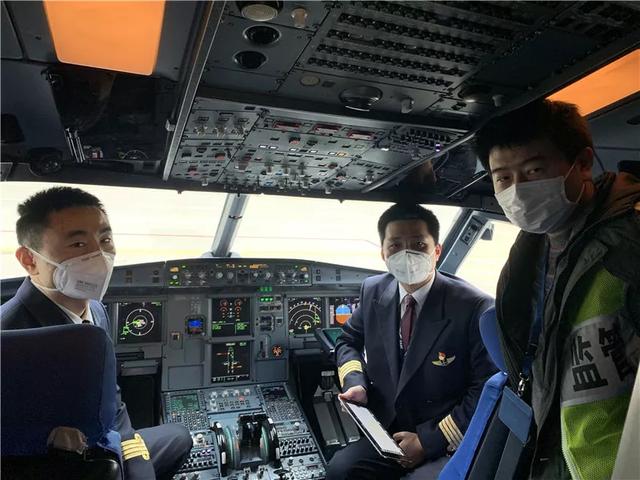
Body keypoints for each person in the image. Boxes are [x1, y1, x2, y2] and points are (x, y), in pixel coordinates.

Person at [474, 99, 640, 479]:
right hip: (558, 456)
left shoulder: (631, 245)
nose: (518, 191)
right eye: (503, 178)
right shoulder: (529, 250)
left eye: (534, 170)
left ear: (582, 163)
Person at [0, 187, 193, 480]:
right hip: (56, 466)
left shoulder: (97, 310)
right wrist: (47, 438)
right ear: (29, 260)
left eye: (105, 240)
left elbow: (111, 399)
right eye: (78, 244)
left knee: (178, 437)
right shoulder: (9, 335)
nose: (99, 256)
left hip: (107, 445)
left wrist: (133, 455)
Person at [327, 203, 496, 480]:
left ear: (436, 251)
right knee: (340, 471)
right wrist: (355, 383)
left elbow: (485, 387)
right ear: (383, 253)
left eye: (418, 245)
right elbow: (348, 341)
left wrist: (428, 441)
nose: (407, 255)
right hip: (388, 429)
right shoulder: (373, 290)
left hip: (445, 438)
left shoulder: (473, 307)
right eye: (395, 246)